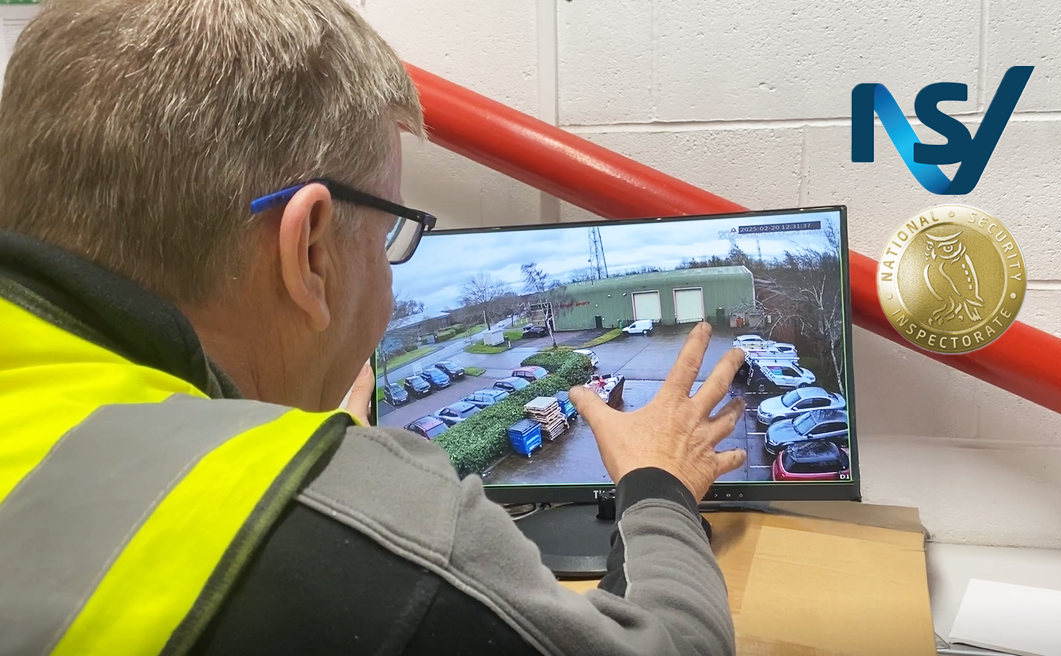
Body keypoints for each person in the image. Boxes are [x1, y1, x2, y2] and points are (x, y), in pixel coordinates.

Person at [0, 1, 749, 654]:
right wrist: (659, 481)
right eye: (391, 232)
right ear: (311, 250)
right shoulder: (367, 528)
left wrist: (311, 429)